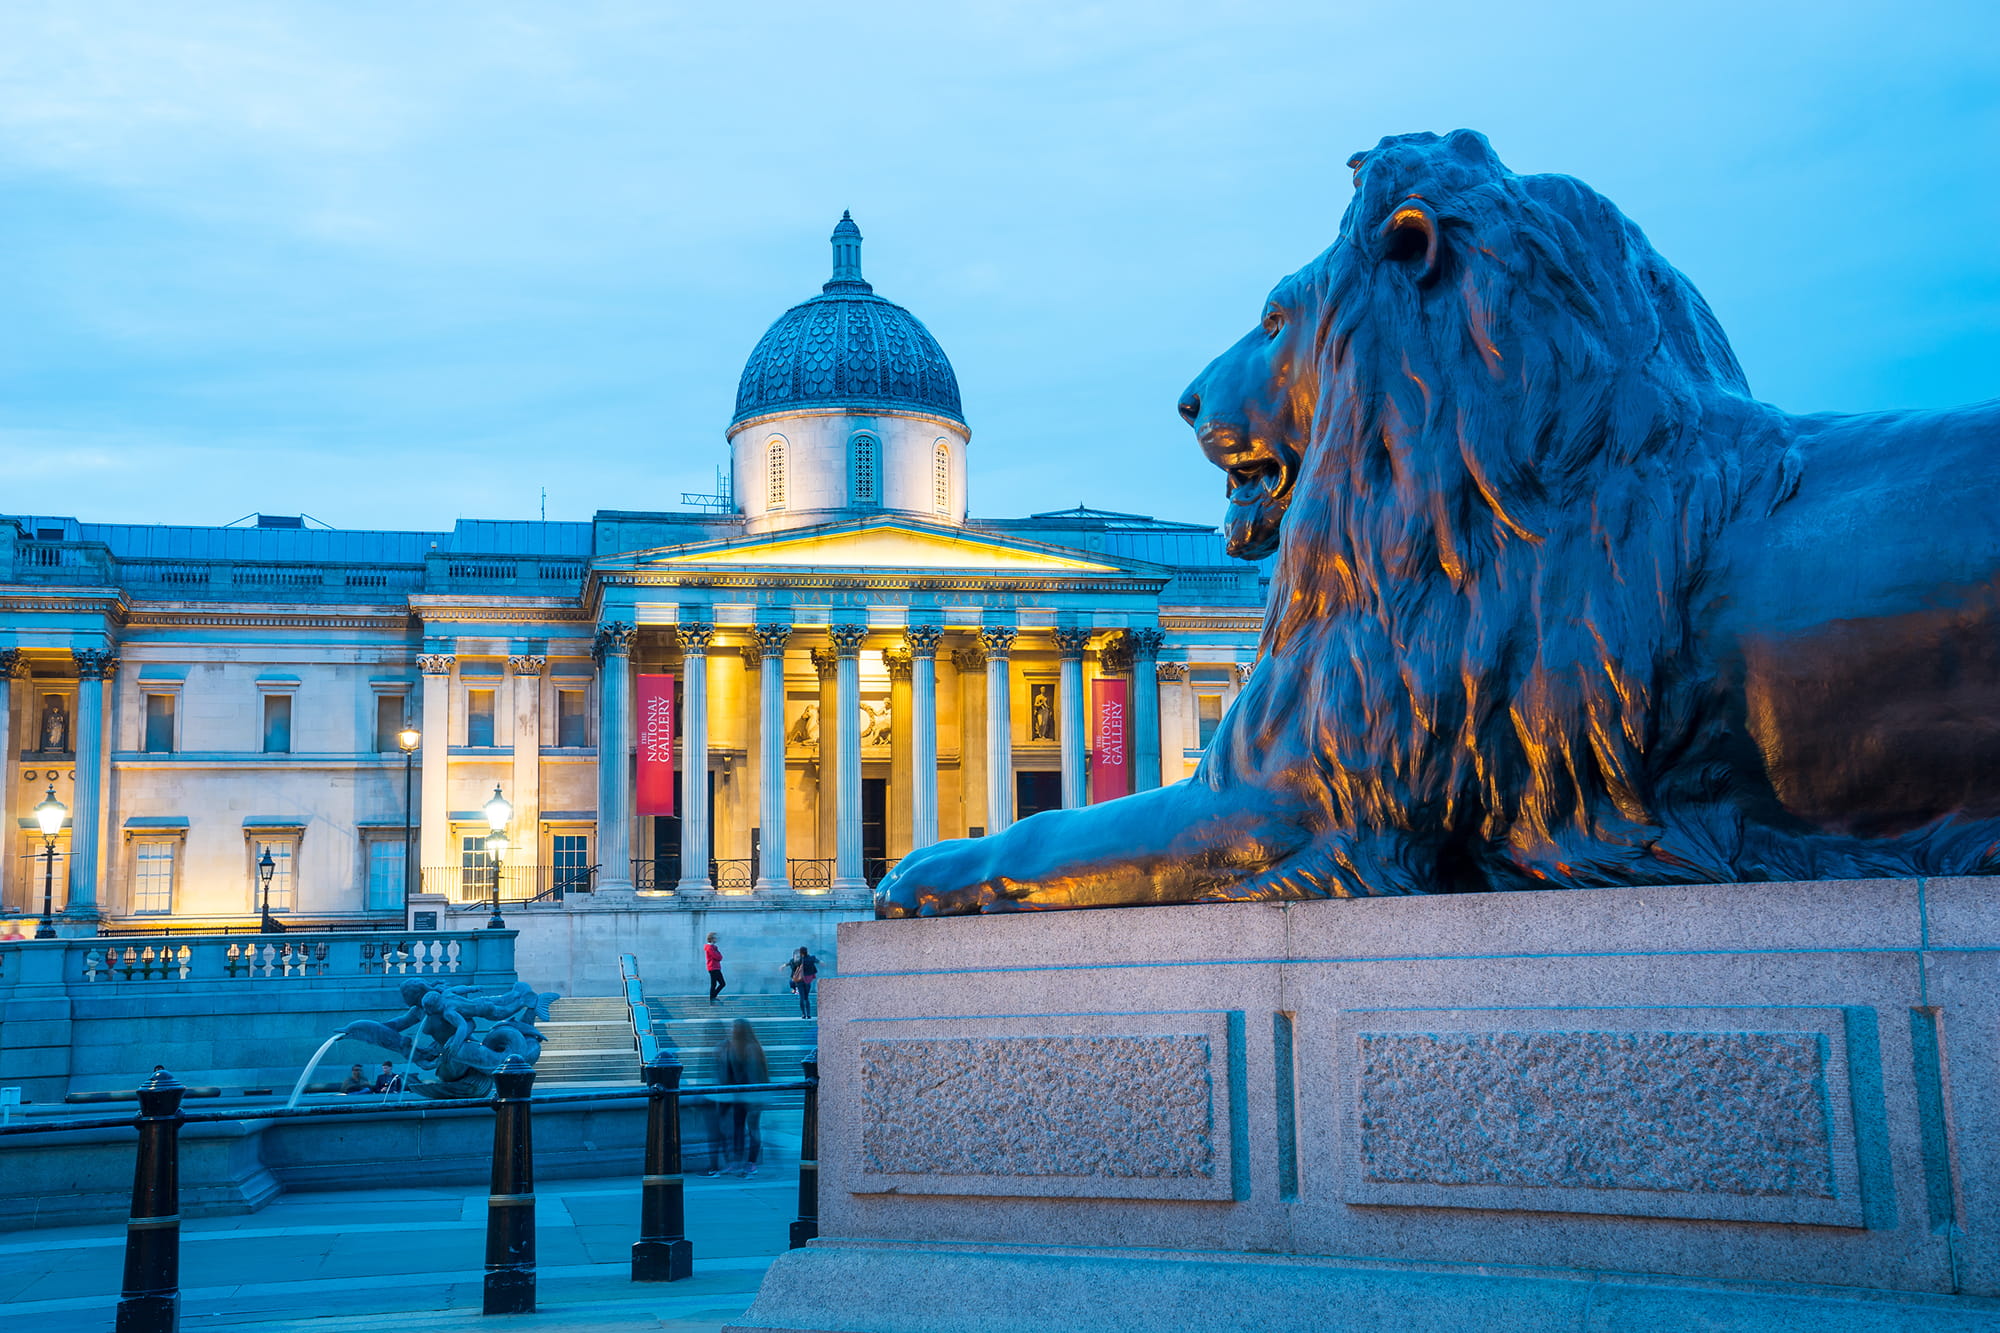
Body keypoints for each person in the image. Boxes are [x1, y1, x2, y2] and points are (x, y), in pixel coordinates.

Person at [706, 1019, 769, 1178]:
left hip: (751, 1096)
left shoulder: (751, 1048)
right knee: (739, 1128)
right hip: (740, 1095)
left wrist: (752, 1096)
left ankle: (750, 1164)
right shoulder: (733, 1047)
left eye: (735, 1028)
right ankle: (737, 1162)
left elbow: (754, 1074)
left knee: (752, 1129)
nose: (732, 1030)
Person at [788, 946, 819, 1019]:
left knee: (803, 997)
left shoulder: (799, 961)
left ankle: (804, 1014)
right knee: (805, 998)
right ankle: (806, 1014)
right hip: (805, 981)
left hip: (801, 981)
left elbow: (793, 967)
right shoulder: (808, 959)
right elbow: (814, 961)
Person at [705, 932, 725, 1004]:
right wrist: (718, 954)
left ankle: (713, 997)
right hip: (713, 967)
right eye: (715, 937)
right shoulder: (709, 947)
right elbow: (717, 957)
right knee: (716, 984)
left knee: (721, 983)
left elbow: (720, 957)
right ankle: (712, 998)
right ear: (712, 938)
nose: (717, 939)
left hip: (716, 967)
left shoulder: (714, 947)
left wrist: (717, 954)